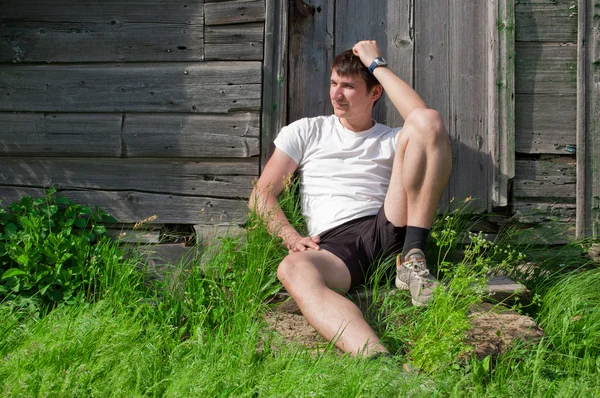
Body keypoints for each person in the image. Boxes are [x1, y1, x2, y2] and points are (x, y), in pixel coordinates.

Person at [249, 40, 452, 357]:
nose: (336, 94)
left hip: (389, 225)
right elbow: (262, 195)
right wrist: (289, 235)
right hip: (336, 243)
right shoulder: (306, 131)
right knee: (292, 269)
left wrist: (376, 64)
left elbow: (425, 120)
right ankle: (376, 360)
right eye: (333, 83)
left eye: (348, 86)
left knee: (428, 120)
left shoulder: (391, 138)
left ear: (374, 93)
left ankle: (413, 259)